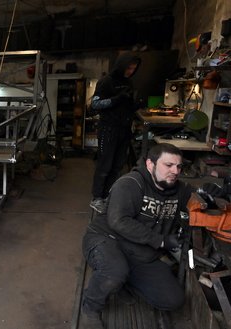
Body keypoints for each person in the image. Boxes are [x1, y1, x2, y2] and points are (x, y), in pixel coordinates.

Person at [80, 143, 206, 328]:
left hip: (140, 253)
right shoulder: (130, 184)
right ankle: (90, 306)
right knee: (114, 271)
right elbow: (118, 221)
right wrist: (161, 240)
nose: (175, 171)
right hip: (107, 240)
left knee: (173, 299)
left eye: (179, 167)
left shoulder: (177, 188)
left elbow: (195, 193)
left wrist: (208, 191)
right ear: (150, 164)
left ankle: (124, 281)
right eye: (168, 165)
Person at [89, 54, 142, 214]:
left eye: (133, 69)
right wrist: (115, 99)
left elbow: (126, 106)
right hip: (108, 129)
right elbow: (95, 104)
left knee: (117, 166)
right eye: (128, 68)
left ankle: (108, 196)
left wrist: (135, 105)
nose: (130, 72)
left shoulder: (128, 82)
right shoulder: (106, 82)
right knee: (105, 165)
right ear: (121, 65)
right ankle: (97, 198)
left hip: (123, 129)